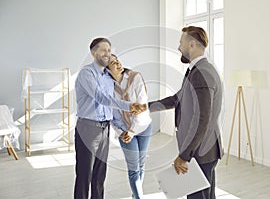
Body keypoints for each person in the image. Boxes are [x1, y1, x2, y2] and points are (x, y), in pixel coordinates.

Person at [148, 26, 224, 199]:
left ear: (191, 44)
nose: (178, 47)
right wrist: (146, 107)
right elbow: (178, 99)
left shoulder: (202, 73)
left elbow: (202, 118)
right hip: (204, 149)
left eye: (181, 43)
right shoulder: (197, 70)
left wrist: (184, 155)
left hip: (201, 150)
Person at [74, 37, 146, 199]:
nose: (107, 53)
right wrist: (129, 106)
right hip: (88, 127)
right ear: (93, 53)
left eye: (109, 50)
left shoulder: (108, 76)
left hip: (105, 128)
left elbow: (120, 86)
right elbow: (101, 98)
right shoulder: (87, 73)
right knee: (85, 174)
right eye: (103, 50)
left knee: (100, 174)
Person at [107, 54, 152, 199]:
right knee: (133, 168)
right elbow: (112, 114)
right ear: (107, 70)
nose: (118, 63)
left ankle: (135, 195)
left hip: (143, 126)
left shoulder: (135, 77)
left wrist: (133, 130)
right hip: (124, 132)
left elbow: (142, 105)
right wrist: (121, 132)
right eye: (113, 63)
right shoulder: (108, 87)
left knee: (141, 165)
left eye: (117, 60)